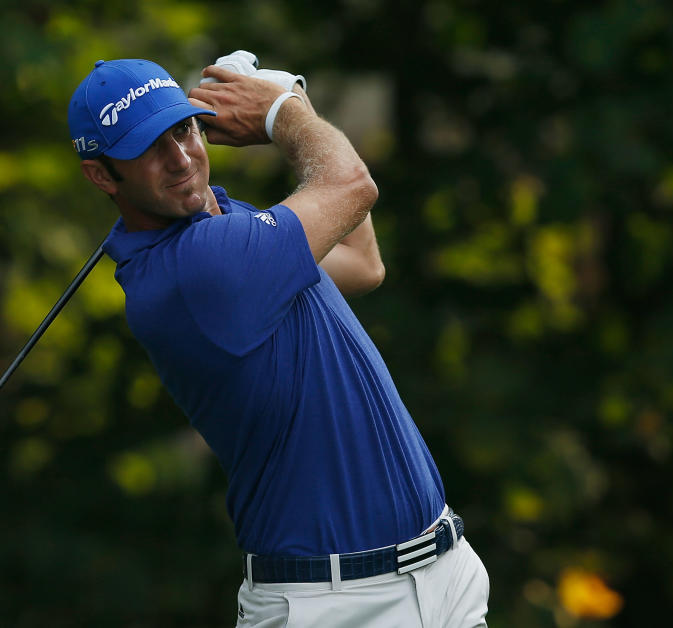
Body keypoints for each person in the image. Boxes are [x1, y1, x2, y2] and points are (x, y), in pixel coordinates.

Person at [68, 56, 489, 627]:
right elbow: (351, 185)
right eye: (148, 148)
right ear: (101, 175)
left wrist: (292, 109)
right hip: (336, 605)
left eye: (184, 129)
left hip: (445, 577)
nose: (181, 158)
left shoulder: (224, 228)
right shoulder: (200, 268)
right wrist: (282, 111)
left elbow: (361, 262)